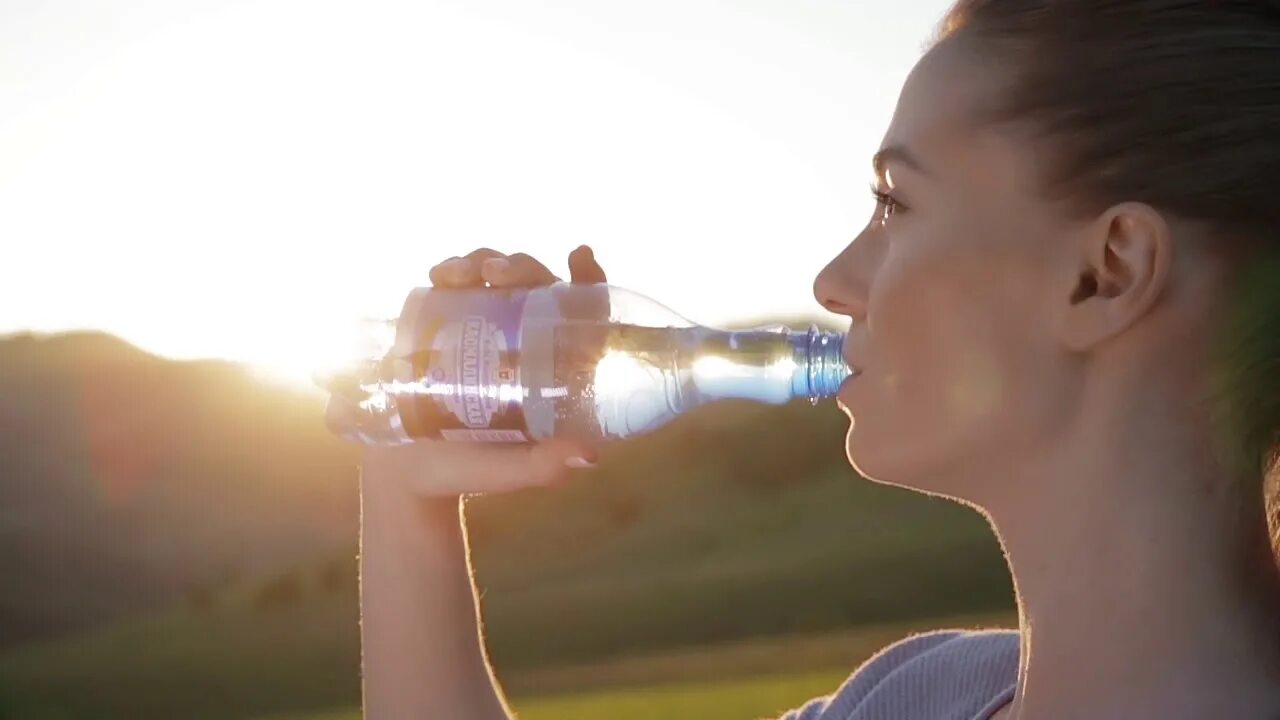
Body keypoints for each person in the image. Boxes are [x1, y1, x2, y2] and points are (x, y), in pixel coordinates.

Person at [354, 1, 1280, 718]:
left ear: (1104, 273)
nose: (834, 281)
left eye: (896, 203)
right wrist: (408, 504)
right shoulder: (918, 693)